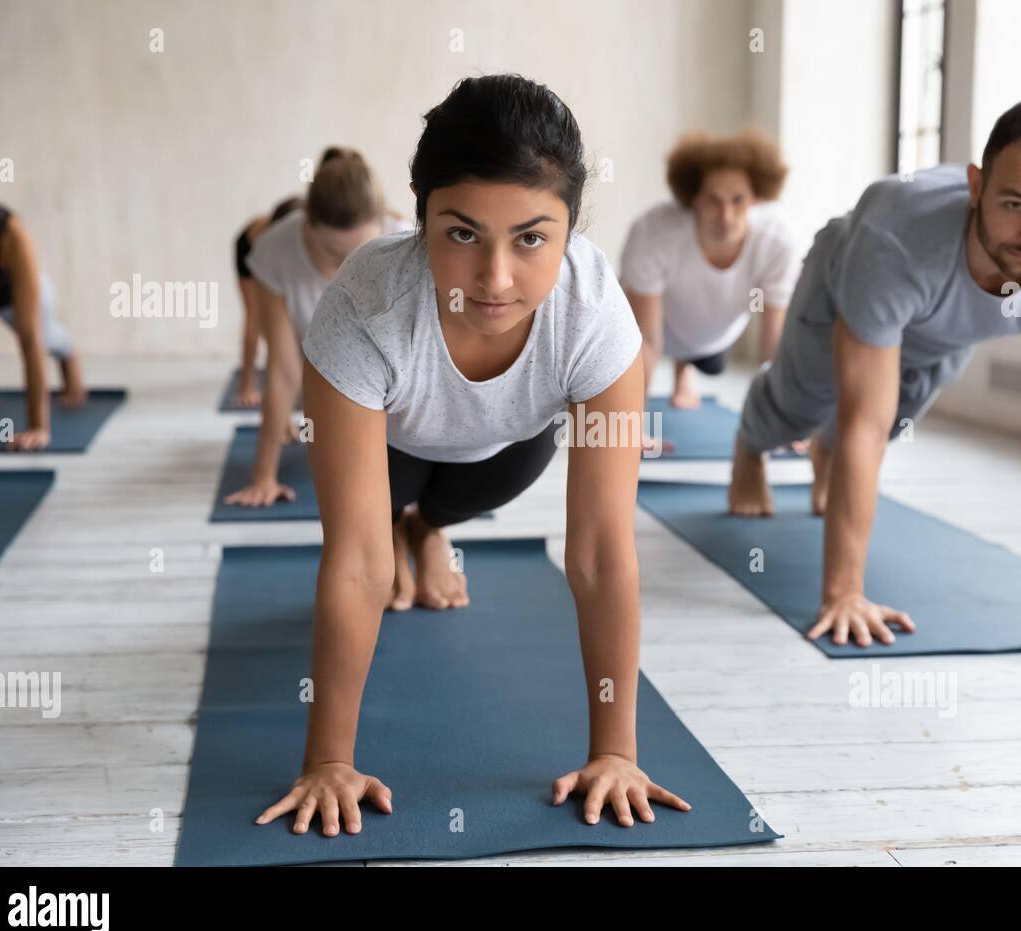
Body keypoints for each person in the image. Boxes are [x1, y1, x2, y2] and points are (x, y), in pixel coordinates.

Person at [255, 73, 690, 837]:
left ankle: (429, 528)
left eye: (531, 238)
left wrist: (615, 752)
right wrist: (328, 761)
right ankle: (404, 523)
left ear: (569, 229)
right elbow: (354, 562)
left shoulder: (597, 321)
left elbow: (599, 550)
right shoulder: (365, 306)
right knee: (377, 550)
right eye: (461, 233)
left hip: (502, 450)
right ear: (418, 218)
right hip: (386, 448)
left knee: (464, 499)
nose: (495, 278)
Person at [730, 99, 1021, 647]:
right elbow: (862, 422)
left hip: (948, 328)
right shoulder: (895, 239)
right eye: (1015, 203)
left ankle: (825, 459)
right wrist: (844, 592)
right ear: (976, 186)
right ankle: (750, 446)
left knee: (896, 421)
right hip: (845, 284)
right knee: (801, 404)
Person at [221, 147, 399, 508]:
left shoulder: (405, 243)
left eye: (360, 252)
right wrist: (264, 477)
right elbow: (283, 370)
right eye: (334, 254)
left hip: (387, 386)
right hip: (313, 381)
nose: (347, 265)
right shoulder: (275, 249)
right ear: (306, 226)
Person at [620, 130, 799, 410]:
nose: (726, 216)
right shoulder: (653, 232)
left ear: (756, 198)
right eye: (713, 200)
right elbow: (646, 341)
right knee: (633, 349)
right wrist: (632, 424)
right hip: (660, 328)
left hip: (715, 336)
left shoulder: (777, 240)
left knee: (711, 364)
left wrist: (787, 419)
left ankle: (686, 368)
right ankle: (684, 365)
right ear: (693, 200)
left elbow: (773, 343)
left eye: (737, 200)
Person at [0, 175, 86, 451]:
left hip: (10, 293)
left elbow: (30, 339)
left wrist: (37, 427)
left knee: (47, 336)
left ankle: (69, 358)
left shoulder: (10, 235)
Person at [229, 194, 304, 408]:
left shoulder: (305, 231)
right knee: (256, 317)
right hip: (247, 249)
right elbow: (257, 324)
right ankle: (247, 382)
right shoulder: (266, 247)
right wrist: (247, 387)